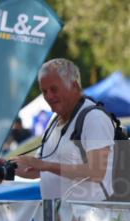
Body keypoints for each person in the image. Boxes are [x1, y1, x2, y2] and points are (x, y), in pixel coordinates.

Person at [12, 59, 115, 201]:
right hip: (59, 219)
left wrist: (45, 165)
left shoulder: (94, 118)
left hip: (92, 220)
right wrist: (10, 167)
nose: (48, 96)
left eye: (54, 89)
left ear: (75, 86)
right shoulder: (54, 121)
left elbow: (97, 172)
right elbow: (40, 171)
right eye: (44, 91)